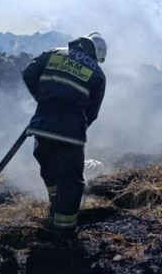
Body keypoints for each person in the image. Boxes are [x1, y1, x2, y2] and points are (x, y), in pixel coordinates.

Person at [22, 32, 107, 238]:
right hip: (70, 135)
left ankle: (54, 203)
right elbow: (92, 112)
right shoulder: (96, 72)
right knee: (71, 181)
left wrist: (44, 101)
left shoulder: (53, 53)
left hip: (42, 126)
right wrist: (78, 123)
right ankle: (64, 231)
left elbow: (28, 73)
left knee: (49, 167)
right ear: (97, 54)